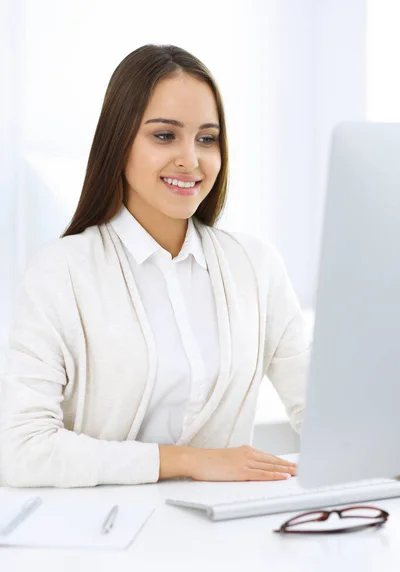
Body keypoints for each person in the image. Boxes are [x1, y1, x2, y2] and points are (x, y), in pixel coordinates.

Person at [0, 44, 310, 488]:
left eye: (207, 138)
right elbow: (21, 450)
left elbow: (321, 410)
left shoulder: (255, 266)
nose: (191, 159)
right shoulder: (60, 272)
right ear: (119, 142)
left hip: (226, 537)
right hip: (99, 539)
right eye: (165, 135)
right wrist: (186, 461)